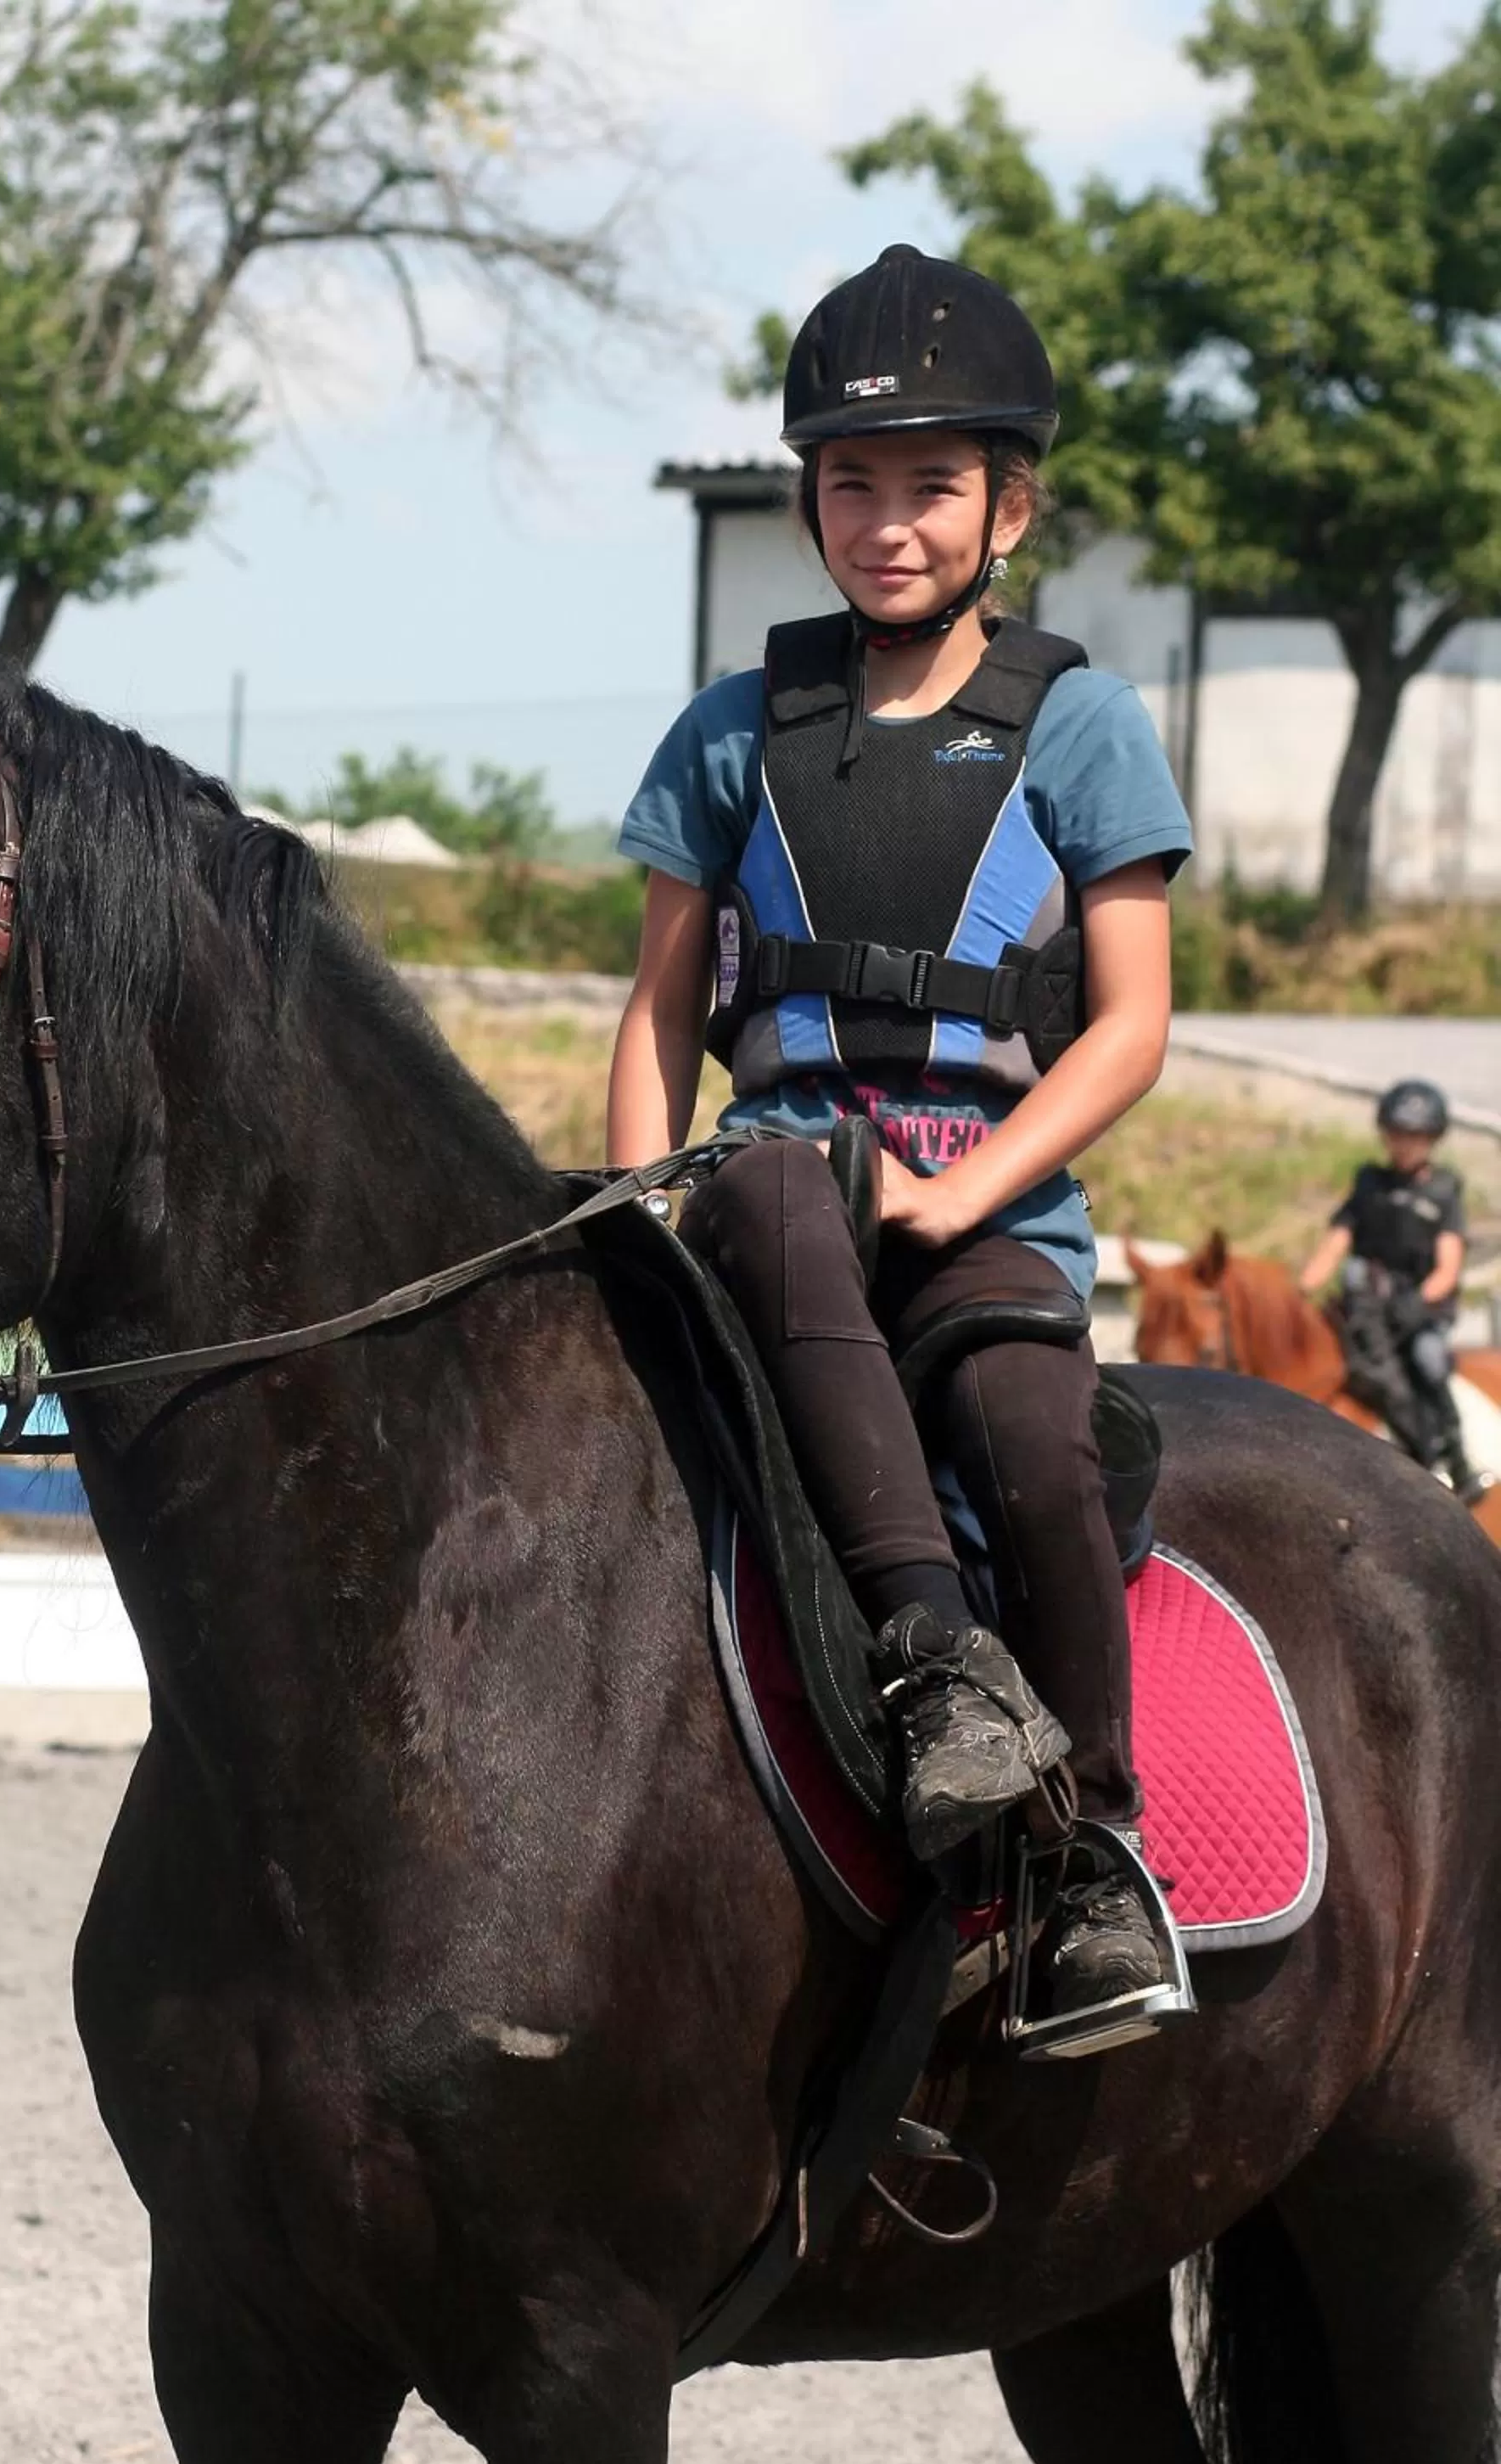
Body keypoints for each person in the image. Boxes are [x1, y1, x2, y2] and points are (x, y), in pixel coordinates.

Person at [607, 244, 1193, 2026]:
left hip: (984, 1191)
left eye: (929, 486)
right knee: (770, 1188)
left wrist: (967, 1193)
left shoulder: (1079, 725)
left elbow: (1130, 1023)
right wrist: (637, 1198)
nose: (886, 522)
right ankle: (935, 1670)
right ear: (805, 503)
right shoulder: (730, 737)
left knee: (1029, 1428)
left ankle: (1089, 1858)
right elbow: (652, 1013)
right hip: (776, 1185)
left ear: (1004, 506)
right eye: (848, 485)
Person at [1301, 1079, 1485, 1501]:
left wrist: (1418, 1302)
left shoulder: (1443, 1190)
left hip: (1418, 1306)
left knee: (1429, 1359)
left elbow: (1449, 1265)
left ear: (1433, 1139)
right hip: (1369, 1307)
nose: (1404, 1145)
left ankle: (1453, 1457)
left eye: (1415, 1137)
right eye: (1397, 1134)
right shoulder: (1370, 1183)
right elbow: (1338, 1239)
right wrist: (1305, 1285)